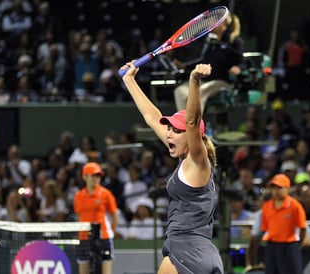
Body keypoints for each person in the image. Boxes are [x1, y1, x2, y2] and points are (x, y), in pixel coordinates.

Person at [122, 62, 223, 273]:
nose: (169, 133)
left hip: (187, 250)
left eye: (176, 130)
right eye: (169, 129)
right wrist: (129, 81)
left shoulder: (198, 161)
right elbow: (152, 118)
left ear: (193, 137)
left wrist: (194, 81)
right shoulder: (186, 161)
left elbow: (193, 122)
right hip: (199, 250)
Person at [172, 13, 243, 112]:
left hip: (223, 82)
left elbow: (241, 62)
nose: (210, 25)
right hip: (205, 80)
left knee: (200, 91)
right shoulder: (211, 42)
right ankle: (185, 124)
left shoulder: (234, 41)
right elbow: (204, 60)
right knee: (180, 91)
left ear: (223, 22)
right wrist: (185, 66)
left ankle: (195, 124)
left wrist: (238, 68)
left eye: (213, 22)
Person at [74, 162, 118, 274]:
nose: (96, 178)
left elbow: (114, 215)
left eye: (98, 176)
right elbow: (80, 215)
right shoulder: (78, 196)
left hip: (103, 237)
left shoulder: (106, 194)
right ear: (85, 177)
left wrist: (111, 232)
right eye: (93, 175)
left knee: (105, 270)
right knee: (83, 269)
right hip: (84, 238)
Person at [261, 174, 307, 274]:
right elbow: (265, 228)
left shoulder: (295, 206)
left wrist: (297, 245)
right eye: (273, 188)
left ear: (287, 189)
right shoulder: (266, 206)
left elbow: (303, 228)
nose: (276, 191)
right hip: (272, 245)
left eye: (279, 188)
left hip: (290, 246)